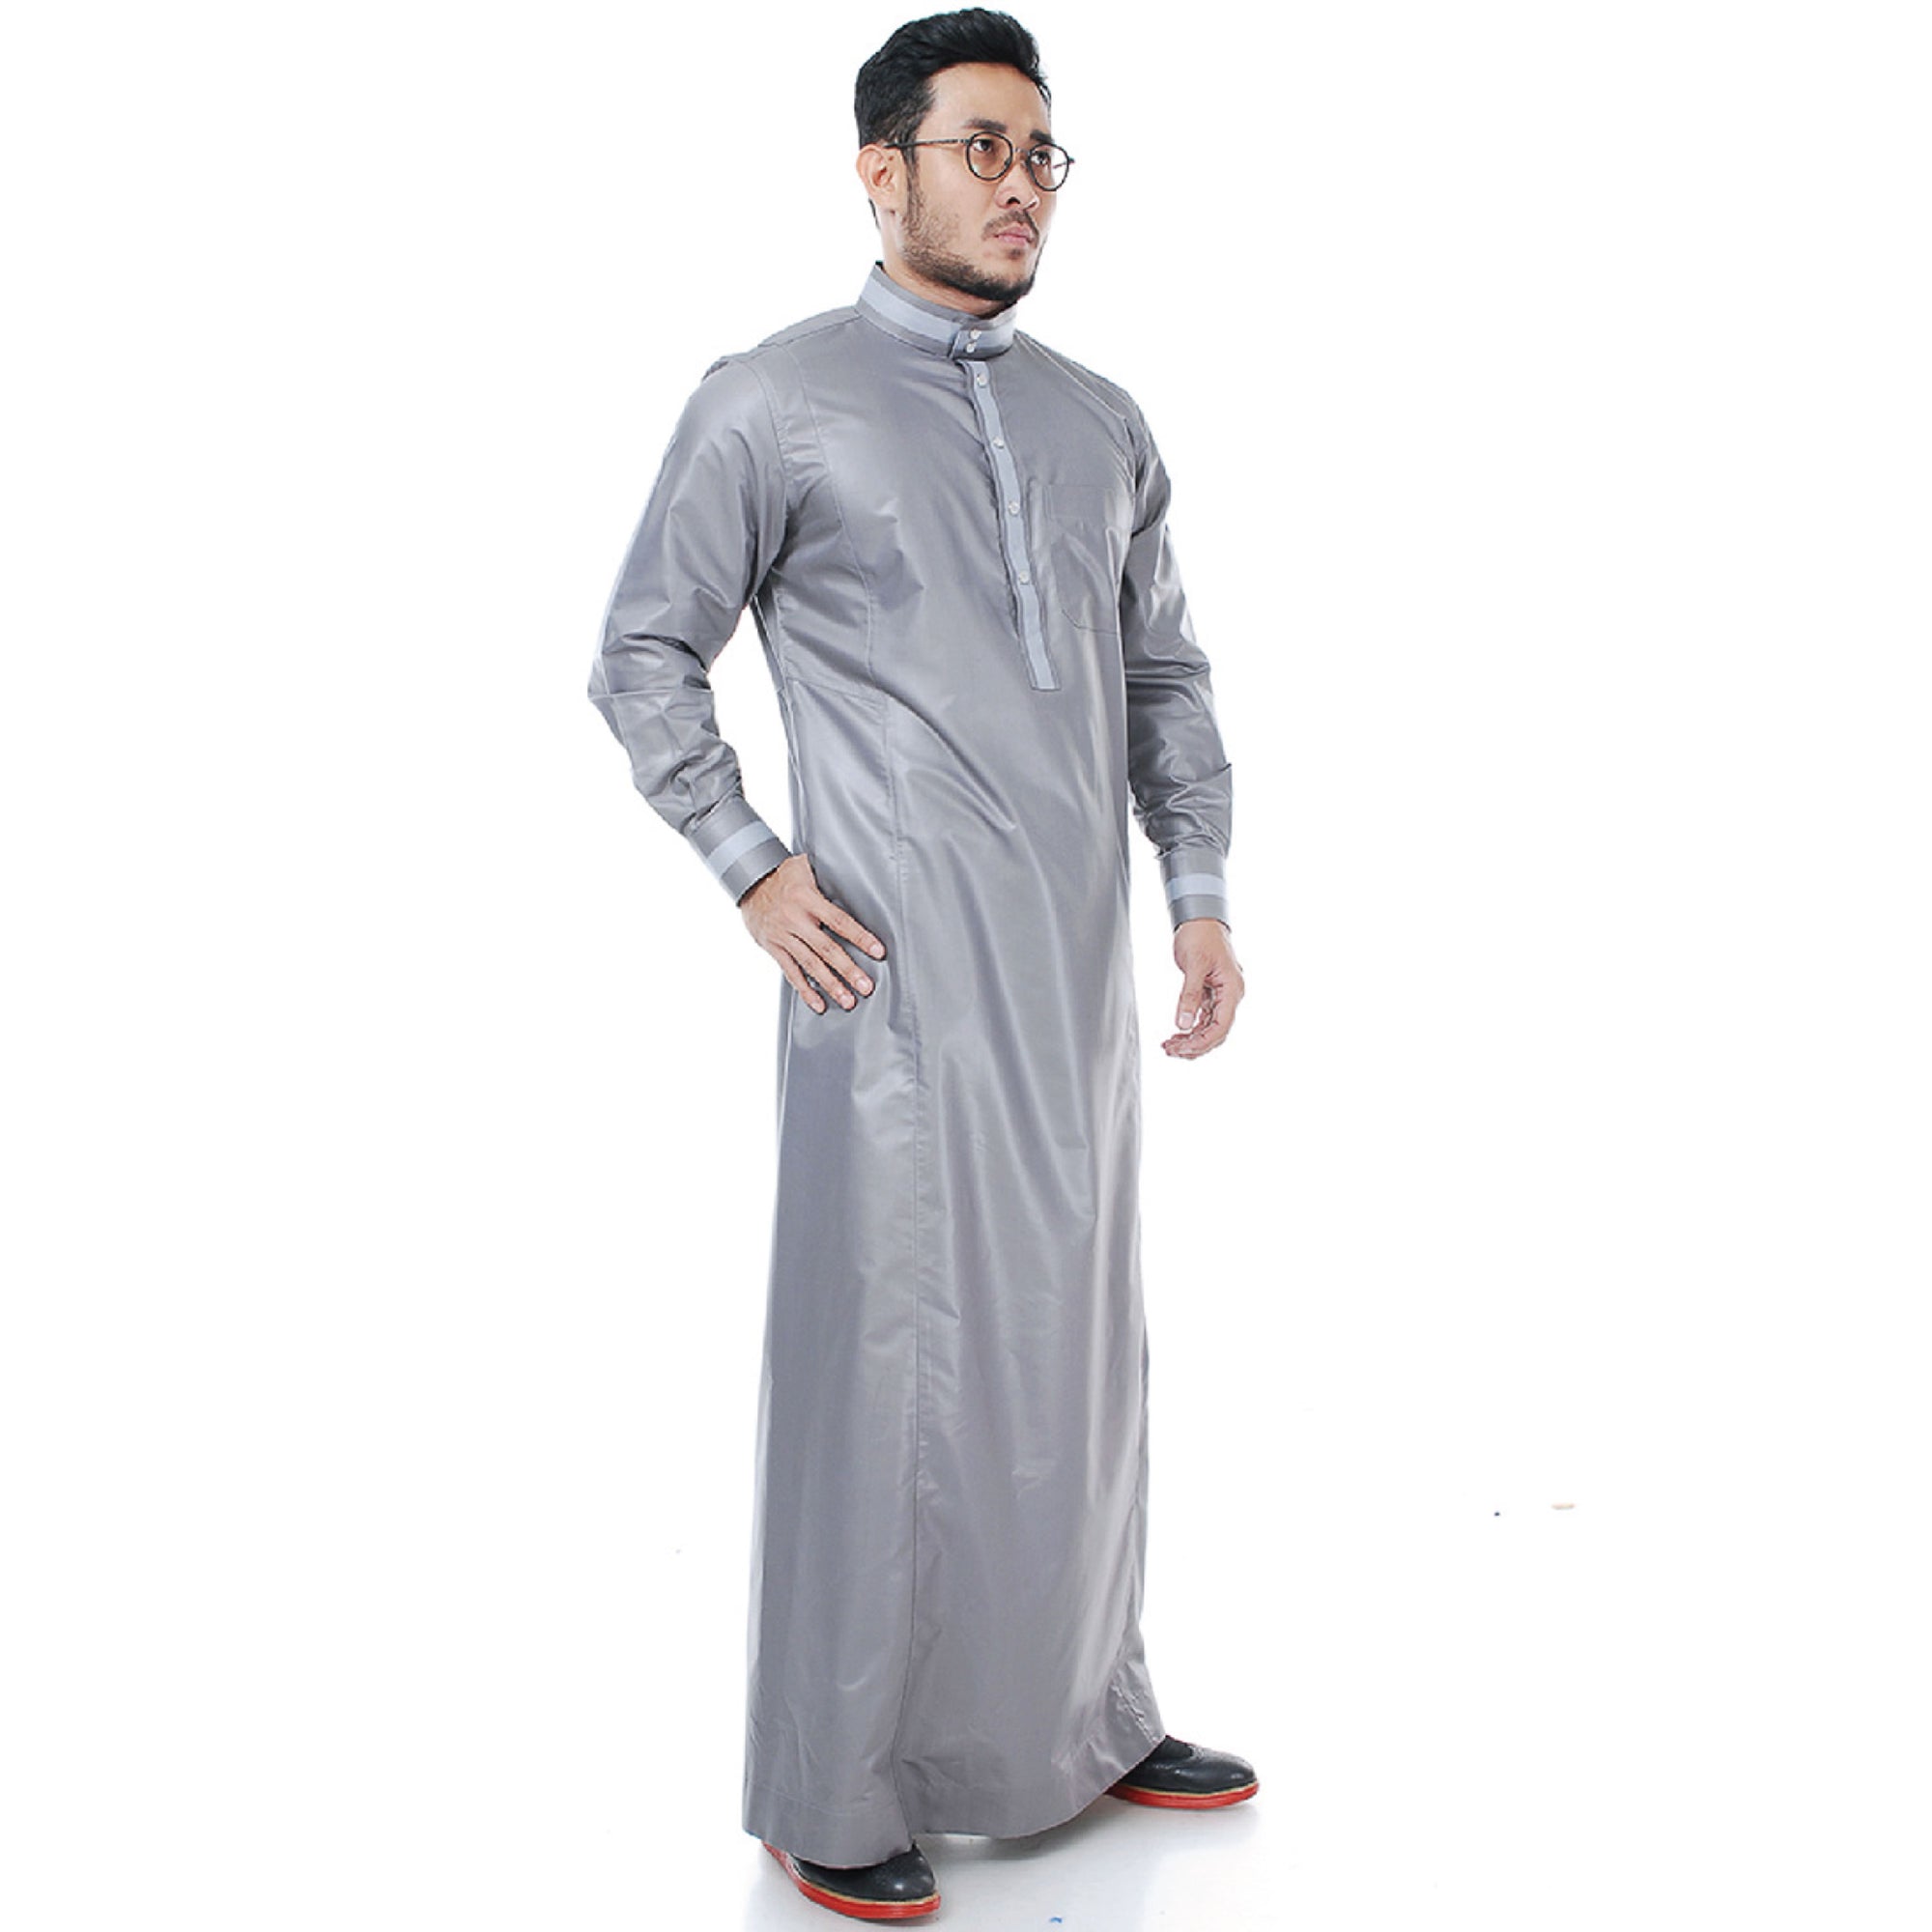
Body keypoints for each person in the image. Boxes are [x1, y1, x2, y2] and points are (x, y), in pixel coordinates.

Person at [587, 9, 1254, 1920]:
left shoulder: (1099, 422)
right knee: (881, 1374)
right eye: (982, 148)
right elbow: (643, 649)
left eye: (1042, 153)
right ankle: (833, 1780)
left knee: (1074, 1357)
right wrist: (749, 865)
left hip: (1072, 984)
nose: (1021, 185)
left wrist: (1196, 885)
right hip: (879, 984)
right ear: (880, 171)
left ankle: (1083, 1716)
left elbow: (1160, 673)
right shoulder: (772, 401)